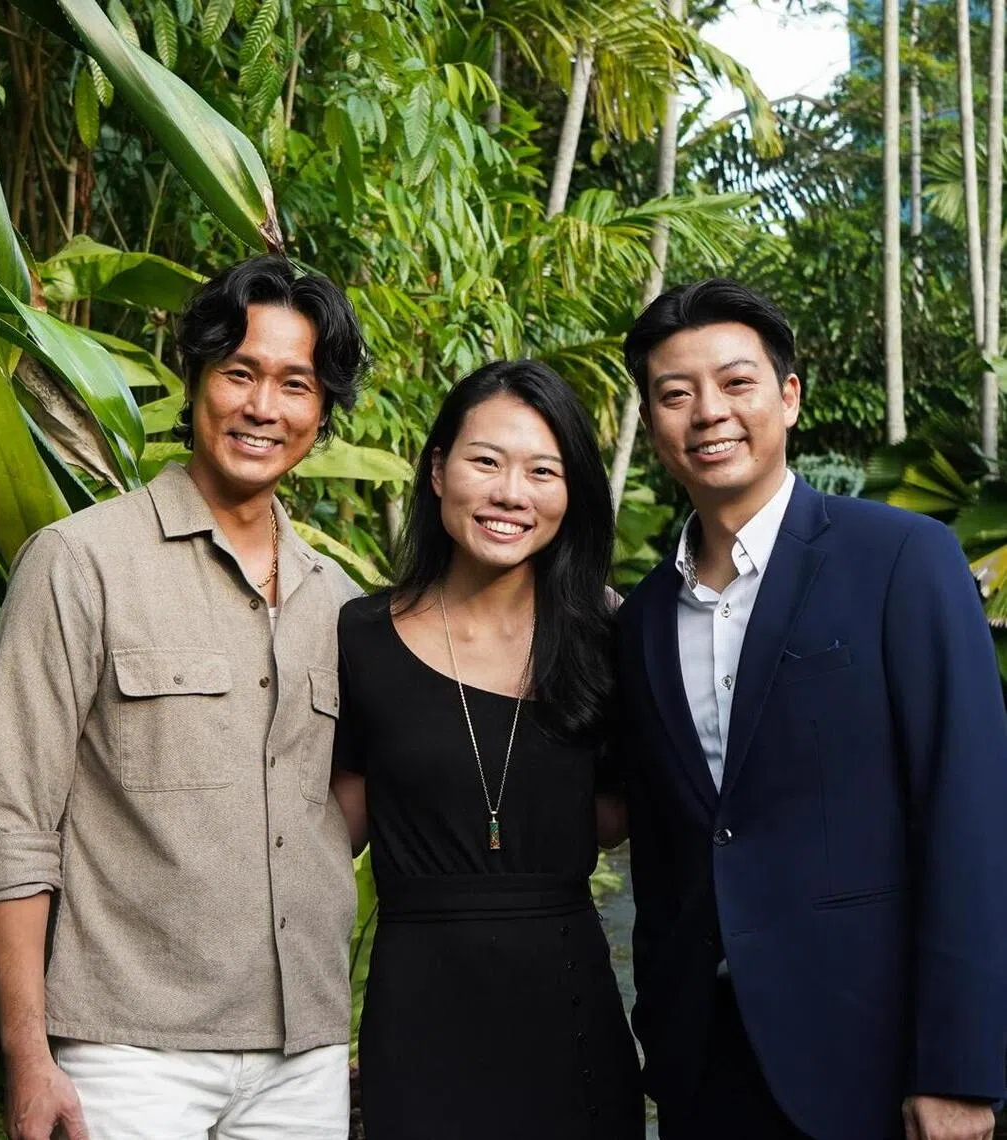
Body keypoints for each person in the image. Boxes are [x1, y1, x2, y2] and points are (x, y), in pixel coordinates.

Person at [0, 255, 368, 1140]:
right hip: (127, 1050)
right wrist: (29, 1057)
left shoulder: (337, 602)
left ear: (322, 411)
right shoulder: (81, 563)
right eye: (240, 374)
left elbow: (334, 805)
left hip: (301, 1054)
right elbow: (12, 823)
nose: (264, 407)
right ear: (195, 381)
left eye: (295, 384)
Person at [613, 278, 1007, 1140]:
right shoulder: (640, 617)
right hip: (703, 1069)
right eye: (676, 395)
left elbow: (969, 813)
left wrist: (958, 1066)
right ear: (652, 425)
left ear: (789, 397)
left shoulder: (903, 558)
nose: (708, 412)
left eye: (736, 383)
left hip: (872, 1062)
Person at [330, 360, 644, 1140]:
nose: (512, 494)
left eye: (543, 470)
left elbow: (622, 817)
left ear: (570, 496)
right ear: (438, 471)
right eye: (486, 462)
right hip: (418, 1011)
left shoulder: (610, 640)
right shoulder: (357, 638)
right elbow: (324, 841)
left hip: (568, 1005)